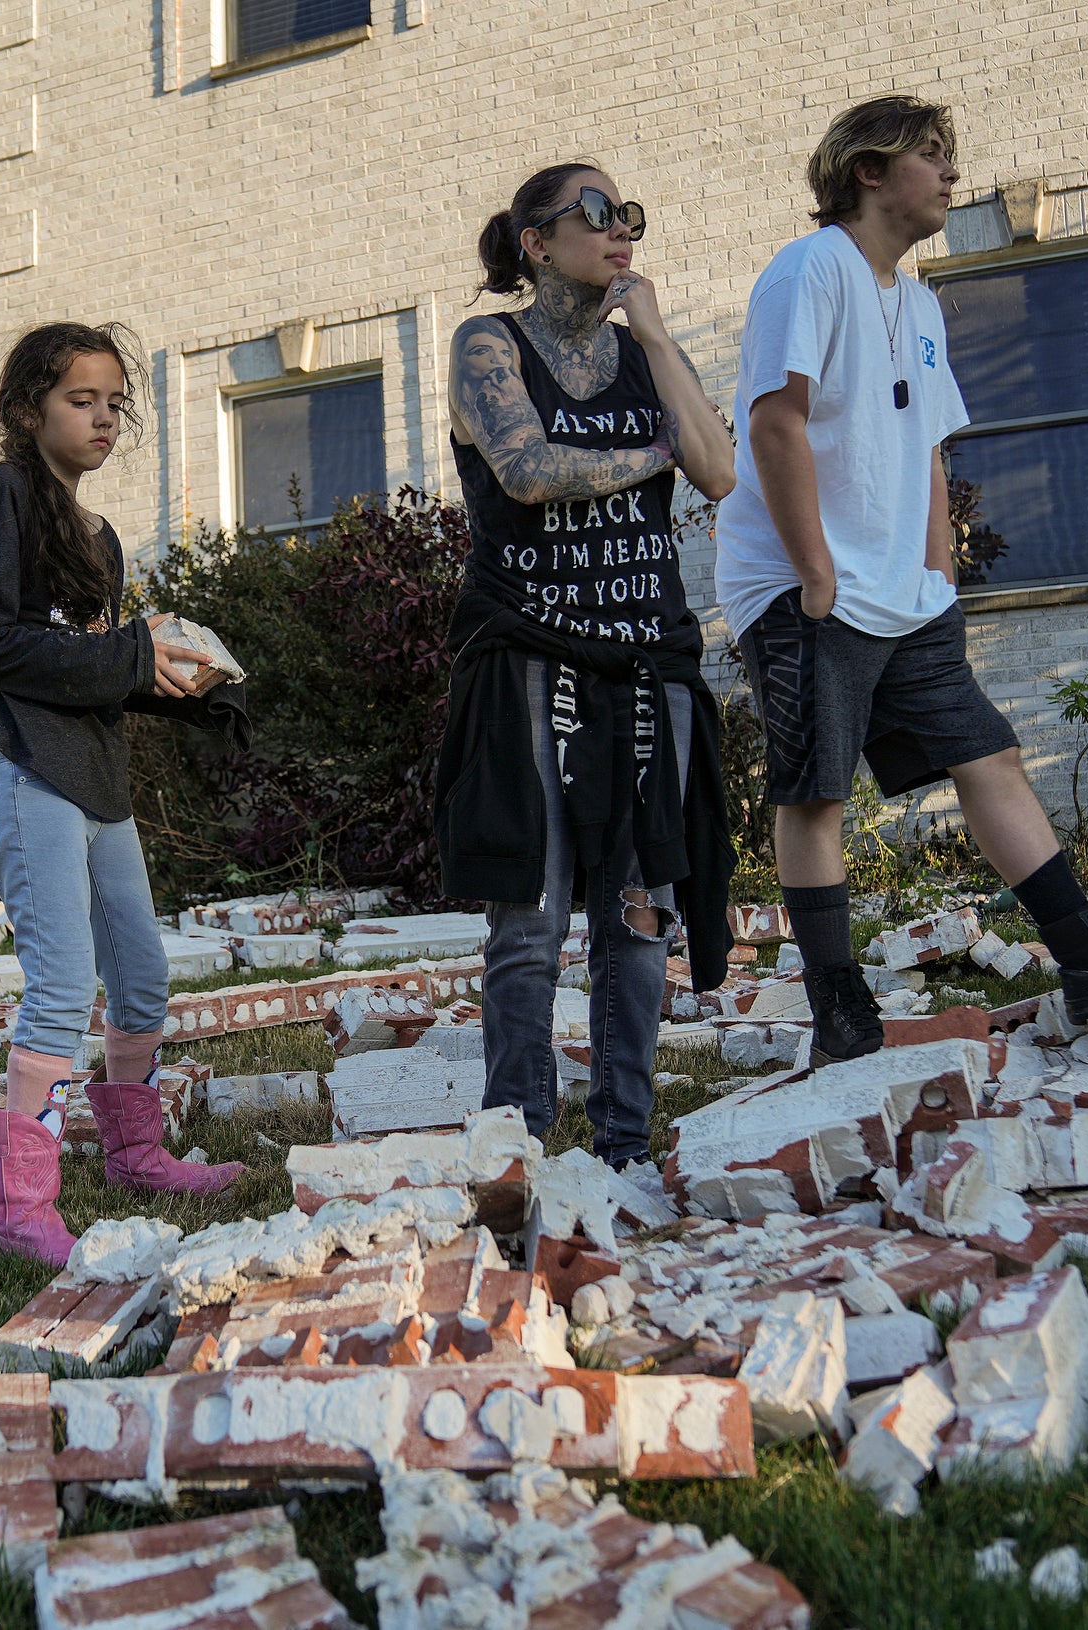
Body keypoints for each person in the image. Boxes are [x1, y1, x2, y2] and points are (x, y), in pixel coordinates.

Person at [714, 98, 1088, 1061]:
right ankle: (838, 1006)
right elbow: (775, 423)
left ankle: (1087, 953)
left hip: (906, 594)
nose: (952, 173)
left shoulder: (917, 302)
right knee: (817, 795)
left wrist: (939, 569)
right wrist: (816, 574)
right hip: (806, 587)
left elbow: (925, 449)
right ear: (868, 170)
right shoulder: (811, 269)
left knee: (988, 755)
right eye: (931, 155)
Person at [434, 161, 739, 1170]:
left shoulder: (642, 353)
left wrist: (651, 334)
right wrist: (650, 457)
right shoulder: (491, 342)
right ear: (535, 240)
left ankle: (622, 1143)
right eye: (596, 215)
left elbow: (724, 467)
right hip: (530, 651)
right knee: (531, 917)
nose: (621, 233)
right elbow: (526, 471)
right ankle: (516, 1142)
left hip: (650, 657)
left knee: (639, 916)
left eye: (630, 217)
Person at [0, 320, 247, 1266]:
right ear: (27, 408)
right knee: (61, 986)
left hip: (95, 776)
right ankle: (19, 1209)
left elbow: (85, 667)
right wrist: (125, 652)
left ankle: (136, 1153)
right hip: (27, 768)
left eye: (115, 402)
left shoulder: (101, 536)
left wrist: (178, 687)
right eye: (82, 400)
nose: (104, 417)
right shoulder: (9, 495)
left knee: (144, 975)